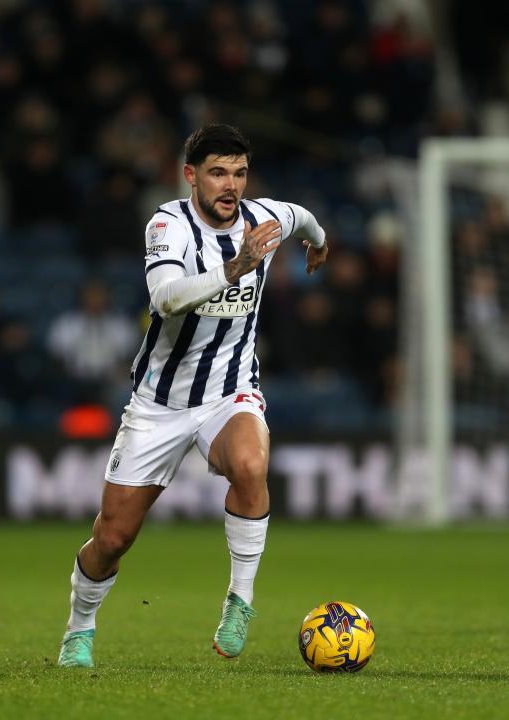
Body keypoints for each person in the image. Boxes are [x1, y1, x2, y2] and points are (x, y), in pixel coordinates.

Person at [57, 124, 328, 667]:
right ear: (191, 176)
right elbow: (165, 299)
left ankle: (240, 600)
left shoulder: (264, 219)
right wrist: (236, 268)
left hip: (230, 393)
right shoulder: (168, 224)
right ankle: (79, 629)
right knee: (112, 538)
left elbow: (305, 219)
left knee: (251, 465)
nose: (231, 185)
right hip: (158, 405)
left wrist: (319, 244)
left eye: (240, 172)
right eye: (218, 173)